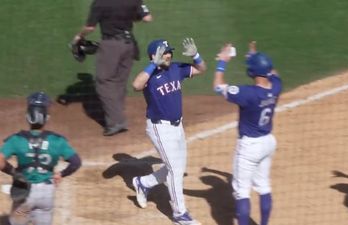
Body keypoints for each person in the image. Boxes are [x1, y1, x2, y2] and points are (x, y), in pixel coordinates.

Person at [131, 38, 206, 225]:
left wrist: (196, 56)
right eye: (164, 52)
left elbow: (201, 69)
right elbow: (136, 85)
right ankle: (180, 214)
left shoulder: (176, 68)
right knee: (174, 169)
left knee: (177, 168)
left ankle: (143, 183)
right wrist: (151, 65)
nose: (168, 55)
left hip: (178, 126)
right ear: (153, 56)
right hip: (159, 127)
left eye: (169, 52)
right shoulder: (150, 75)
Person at [212, 41, 282, 225]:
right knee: (264, 186)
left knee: (242, 192)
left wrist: (222, 61)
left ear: (252, 72)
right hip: (268, 143)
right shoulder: (276, 86)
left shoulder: (247, 93)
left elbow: (218, 86)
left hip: (249, 147)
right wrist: (255, 57)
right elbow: (273, 73)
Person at [72, 0, 153, 136]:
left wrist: (79, 36)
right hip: (129, 45)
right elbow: (147, 18)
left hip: (111, 45)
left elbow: (90, 27)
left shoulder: (100, 2)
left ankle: (116, 122)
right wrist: (127, 15)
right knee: (119, 81)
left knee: (103, 81)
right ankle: (117, 112)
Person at [0, 91, 82, 225]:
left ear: (27, 117)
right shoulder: (57, 141)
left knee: (19, 217)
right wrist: (61, 174)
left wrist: (14, 173)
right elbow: (75, 162)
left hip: (25, 196)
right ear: (47, 118)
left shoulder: (16, 140)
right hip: (46, 197)